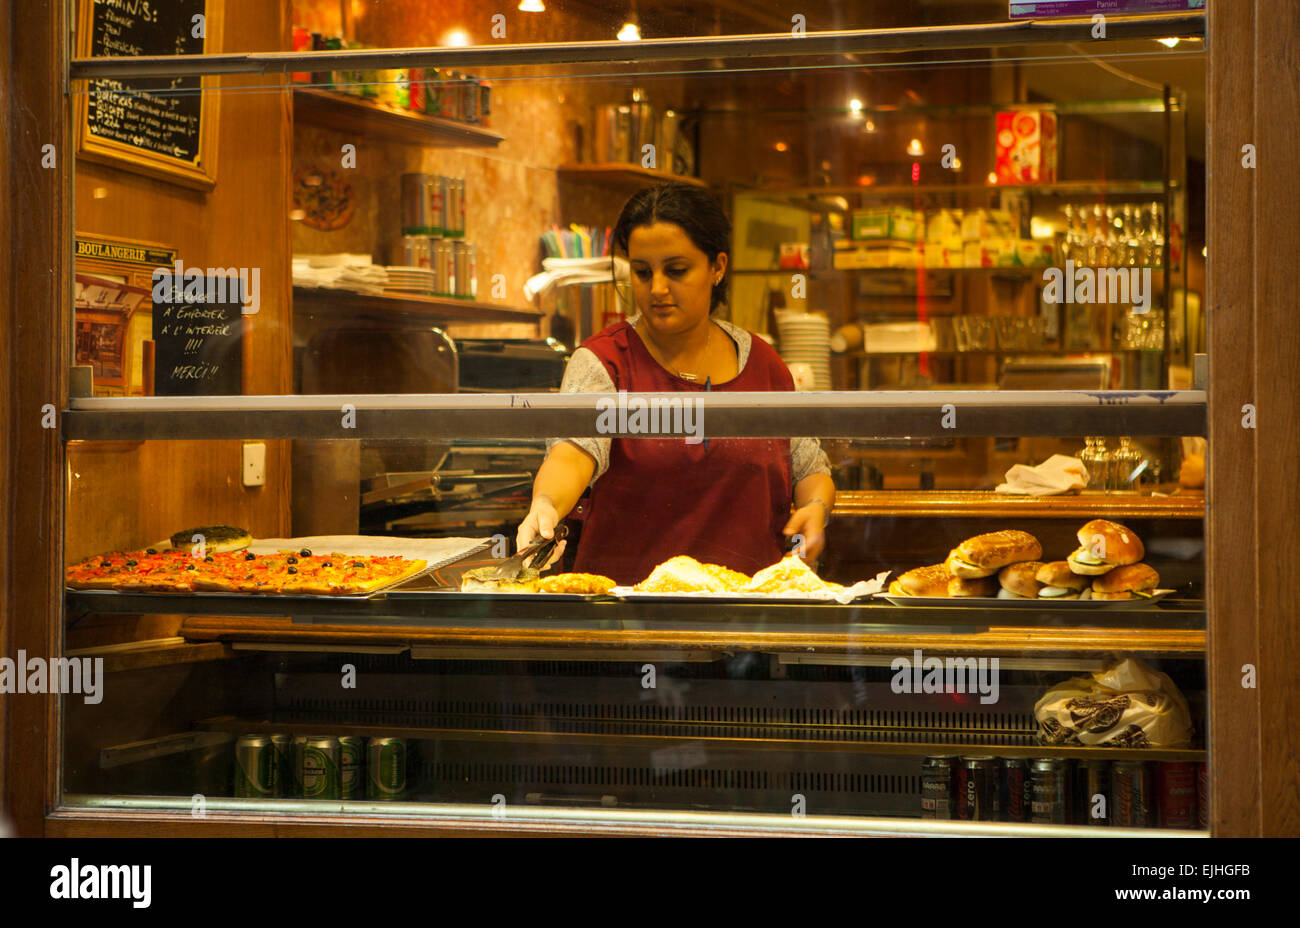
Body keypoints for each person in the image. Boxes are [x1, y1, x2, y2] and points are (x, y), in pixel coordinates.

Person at [516, 182, 835, 585]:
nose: (658, 289)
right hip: (632, 622)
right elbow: (572, 456)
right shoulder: (605, 362)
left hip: (750, 616)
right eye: (643, 272)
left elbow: (809, 466)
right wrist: (545, 504)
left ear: (717, 267)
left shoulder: (765, 366)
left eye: (677, 270)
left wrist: (816, 507)